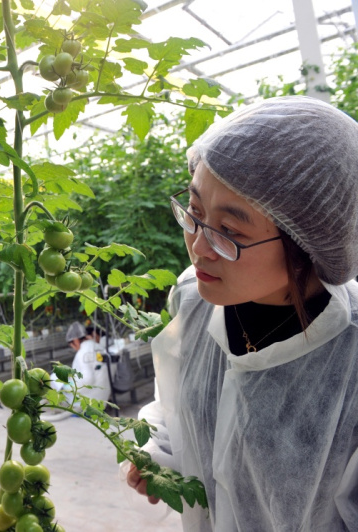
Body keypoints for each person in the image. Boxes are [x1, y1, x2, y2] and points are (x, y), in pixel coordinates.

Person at [125, 96, 358, 531]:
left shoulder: (350, 360)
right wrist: (160, 454)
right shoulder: (193, 299)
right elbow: (175, 399)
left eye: (229, 231)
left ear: (308, 240)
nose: (198, 247)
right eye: (194, 211)